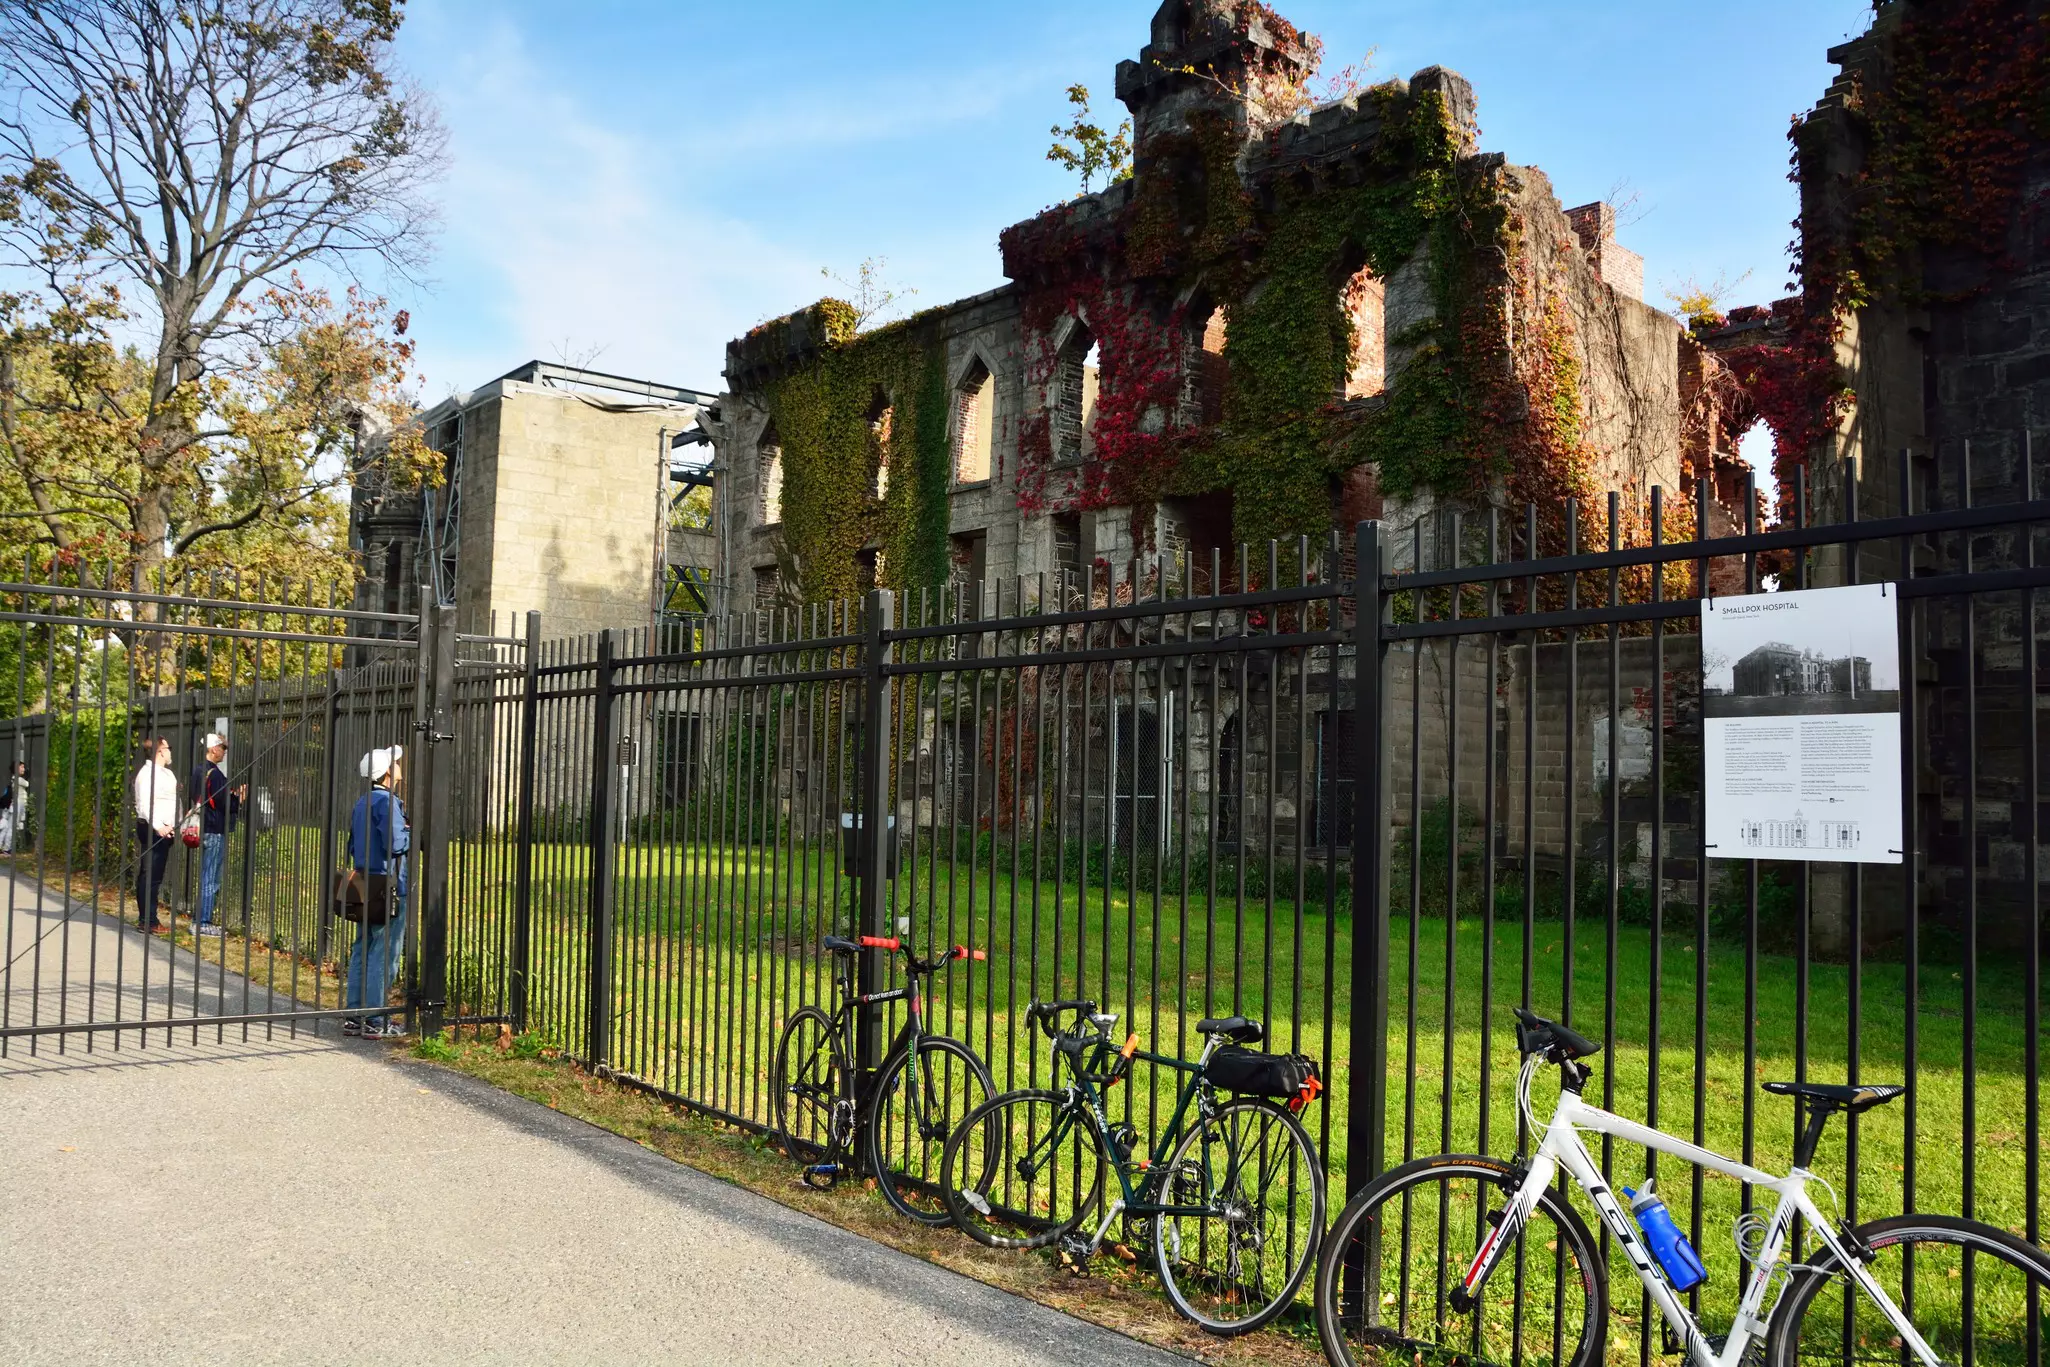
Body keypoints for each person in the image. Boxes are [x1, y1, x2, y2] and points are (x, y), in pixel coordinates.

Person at [344, 744, 409, 1039]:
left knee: (363, 948)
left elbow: (353, 845)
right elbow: (395, 844)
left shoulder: (363, 801)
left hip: (364, 882)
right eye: (395, 763)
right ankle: (375, 1018)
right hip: (389, 885)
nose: (399, 766)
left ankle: (355, 1014)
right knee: (384, 953)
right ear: (385, 773)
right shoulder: (388, 802)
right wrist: (412, 832)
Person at [188, 734, 246, 937]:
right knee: (210, 878)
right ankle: (202, 922)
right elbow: (224, 803)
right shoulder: (215, 774)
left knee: (206, 874)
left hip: (201, 828)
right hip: (214, 830)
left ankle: (199, 920)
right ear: (213, 749)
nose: (224, 752)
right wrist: (238, 798)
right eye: (223, 748)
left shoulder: (197, 771)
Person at [132, 737, 177, 934]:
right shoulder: (148, 774)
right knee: (150, 875)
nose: (170, 752)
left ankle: (149, 918)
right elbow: (144, 804)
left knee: (154, 875)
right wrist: (159, 826)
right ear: (160, 751)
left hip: (165, 828)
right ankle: (148, 920)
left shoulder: (164, 773)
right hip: (153, 829)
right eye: (169, 748)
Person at [0, 760, 26, 854]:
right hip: (17, 805)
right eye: (22, 767)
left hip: (13, 805)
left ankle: (3, 847)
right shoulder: (18, 779)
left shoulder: (13, 779)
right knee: (12, 827)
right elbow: (27, 784)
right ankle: (7, 848)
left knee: (7, 827)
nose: (24, 769)